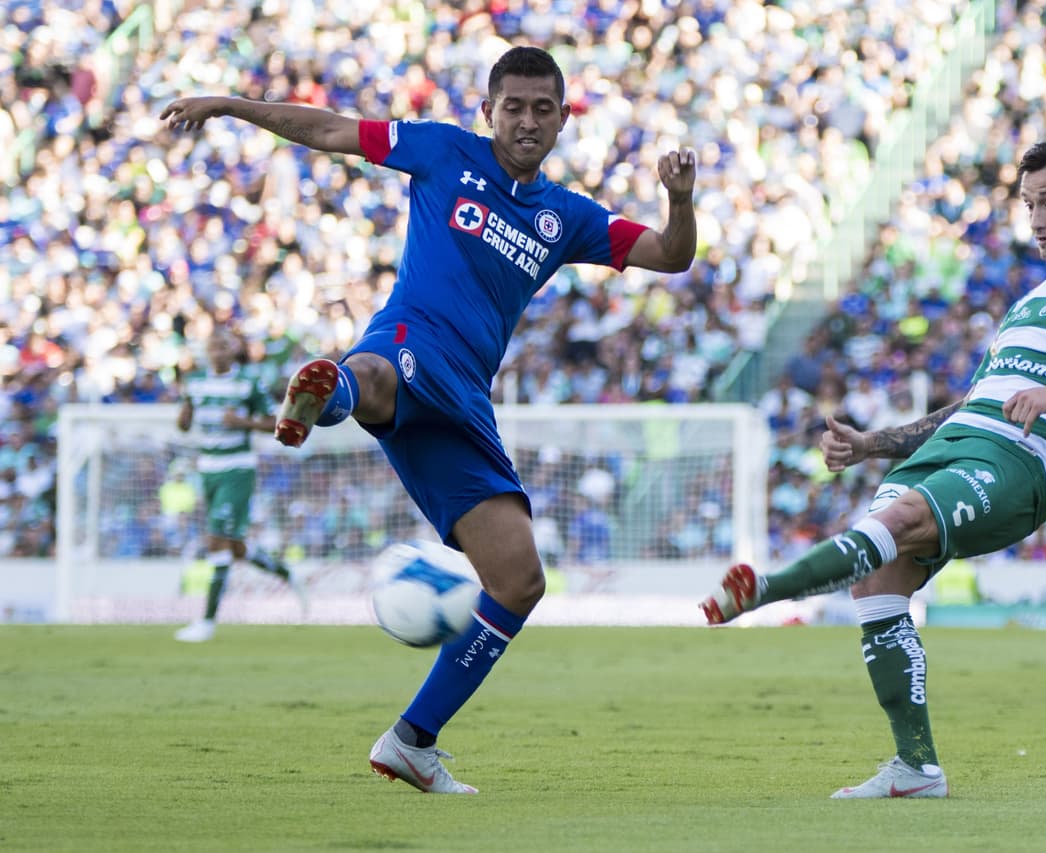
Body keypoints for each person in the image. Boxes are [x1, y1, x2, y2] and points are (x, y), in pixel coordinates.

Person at [161, 46, 696, 793]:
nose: (528, 120)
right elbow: (328, 131)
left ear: (564, 118)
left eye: (544, 108)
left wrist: (680, 197)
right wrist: (228, 102)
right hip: (411, 343)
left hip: (467, 402)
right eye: (514, 106)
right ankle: (331, 392)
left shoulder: (567, 217)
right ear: (488, 111)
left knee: (517, 580)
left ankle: (412, 740)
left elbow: (671, 255)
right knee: (379, 373)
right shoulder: (443, 150)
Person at [701, 132, 1046, 799]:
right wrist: (872, 443)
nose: (1036, 220)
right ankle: (916, 768)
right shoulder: (1030, 300)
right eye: (1030, 203)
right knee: (877, 585)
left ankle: (769, 589)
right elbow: (973, 403)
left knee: (900, 518)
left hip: (1020, 463)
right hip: (951, 446)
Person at [174, 327, 305, 643]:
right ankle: (284, 573)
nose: (218, 351)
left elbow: (276, 423)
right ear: (207, 350)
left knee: (216, 540)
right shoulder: (196, 382)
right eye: (213, 346)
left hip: (237, 468)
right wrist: (186, 407)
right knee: (234, 547)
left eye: (223, 345)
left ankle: (206, 622)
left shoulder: (248, 382)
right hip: (207, 469)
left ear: (233, 349)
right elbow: (183, 425)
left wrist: (242, 422)